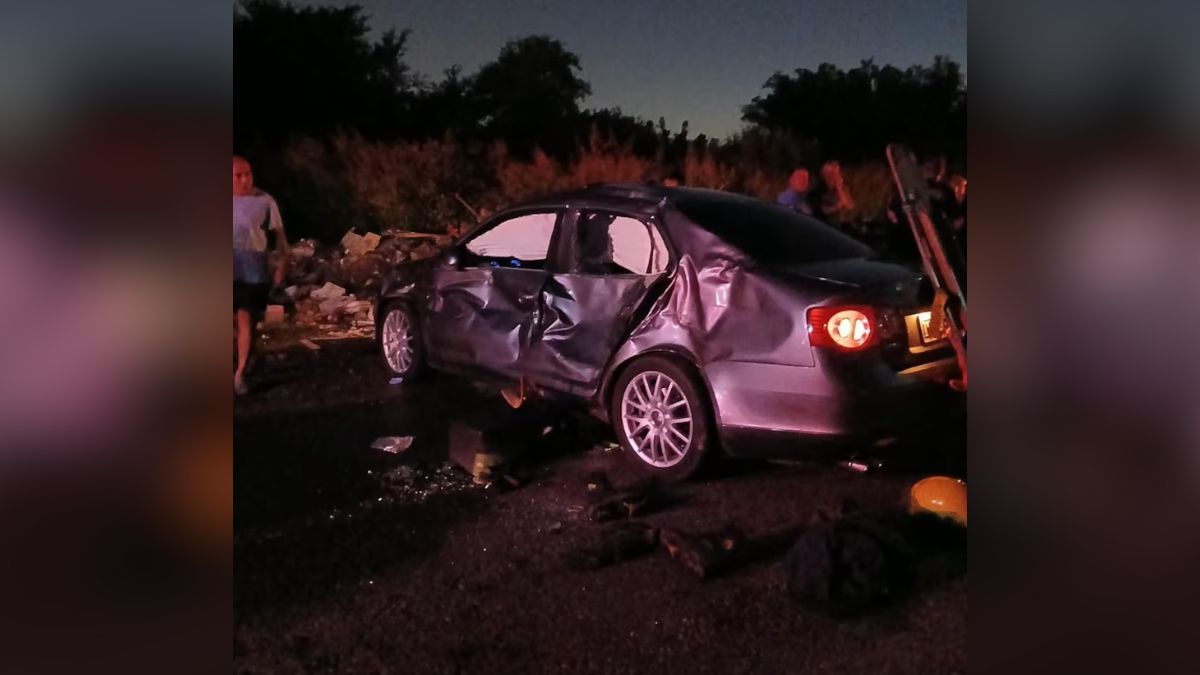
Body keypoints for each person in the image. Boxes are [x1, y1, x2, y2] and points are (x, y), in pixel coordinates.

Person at [232, 155, 287, 395]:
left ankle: (240, 373)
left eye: (248, 174)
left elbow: (280, 239)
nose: (245, 180)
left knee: (247, 322)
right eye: (238, 176)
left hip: (253, 271)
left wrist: (281, 269)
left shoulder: (265, 201)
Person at [813, 160, 856, 224]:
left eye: (837, 173)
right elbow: (821, 209)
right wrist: (837, 207)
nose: (835, 176)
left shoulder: (842, 188)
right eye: (831, 173)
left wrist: (840, 189)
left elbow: (850, 206)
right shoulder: (819, 189)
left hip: (840, 224)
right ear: (824, 175)